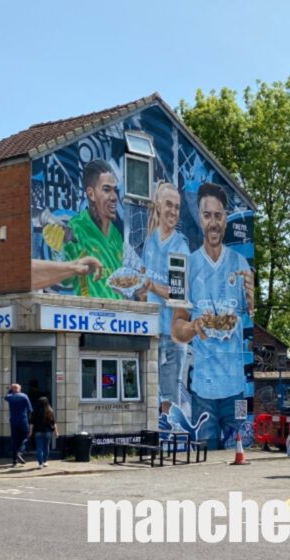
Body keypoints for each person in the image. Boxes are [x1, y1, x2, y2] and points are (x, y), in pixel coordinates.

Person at [172, 182, 254, 449]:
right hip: (203, 392)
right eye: (207, 216)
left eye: (218, 216)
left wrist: (251, 300)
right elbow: (176, 329)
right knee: (204, 460)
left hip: (235, 390)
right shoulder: (184, 267)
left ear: (226, 218)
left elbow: (251, 316)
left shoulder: (242, 265)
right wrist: (195, 326)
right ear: (199, 217)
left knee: (238, 457)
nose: (213, 223)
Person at [142, 182, 191, 406]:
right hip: (150, 329)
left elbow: (177, 292)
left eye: (177, 207)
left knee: (169, 398)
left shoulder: (180, 246)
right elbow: (143, 281)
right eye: (169, 205)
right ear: (159, 206)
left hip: (172, 333)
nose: (173, 211)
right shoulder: (149, 241)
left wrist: (151, 285)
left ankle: (169, 437)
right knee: (149, 395)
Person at [60, 159, 126, 299]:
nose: (114, 197)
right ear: (91, 194)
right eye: (107, 190)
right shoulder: (76, 228)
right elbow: (64, 279)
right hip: (90, 316)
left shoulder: (116, 235)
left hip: (118, 317)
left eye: (115, 190)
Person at [5, 383, 33, 466]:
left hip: (13, 421)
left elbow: (6, 397)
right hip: (23, 420)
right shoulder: (24, 396)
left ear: (13, 389)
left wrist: (10, 389)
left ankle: (14, 461)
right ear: (20, 389)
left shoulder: (9, 397)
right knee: (26, 436)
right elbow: (30, 409)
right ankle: (20, 452)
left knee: (14, 440)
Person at [30, 396, 57, 470]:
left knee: (39, 448)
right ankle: (45, 461)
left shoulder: (34, 411)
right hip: (47, 432)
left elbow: (32, 423)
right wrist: (56, 432)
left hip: (37, 432)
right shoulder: (50, 411)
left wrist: (30, 432)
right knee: (46, 447)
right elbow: (54, 423)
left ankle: (40, 463)